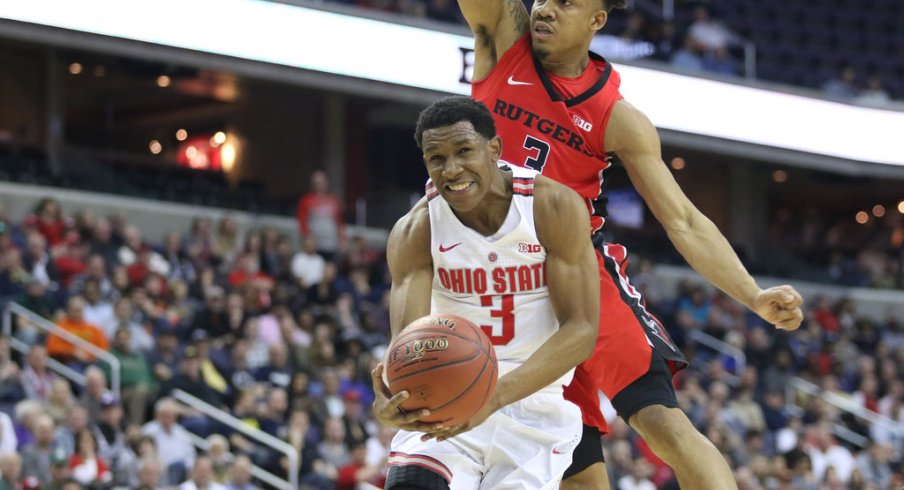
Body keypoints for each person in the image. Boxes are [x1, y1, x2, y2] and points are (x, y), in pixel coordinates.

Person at [456, 0, 805, 488]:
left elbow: (682, 219)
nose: (546, 10)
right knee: (579, 476)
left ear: (598, 20)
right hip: (498, 283)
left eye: (567, 2)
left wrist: (752, 294)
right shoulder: (504, 41)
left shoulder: (616, 115)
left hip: (577, 271)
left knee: (661, 421)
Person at [371, 96, 599, 488]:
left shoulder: (552, 206)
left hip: (533, 403)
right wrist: (392, 398)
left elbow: (581, 330)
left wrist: (492, 397)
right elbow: (408, 343)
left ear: (494, 148)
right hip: (449, 395)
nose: (452, 169)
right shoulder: (416, 230)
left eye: (464, 151)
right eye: (436, 158)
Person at [296, 170, 347, 260]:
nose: (319, 185)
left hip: (331, 243)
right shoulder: (306, 200)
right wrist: (307, 237)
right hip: (314, 244)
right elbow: (302, 221)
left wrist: (342, 238)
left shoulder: (333, 201)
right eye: (317, 183)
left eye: (322, 182)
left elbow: (339, 222)